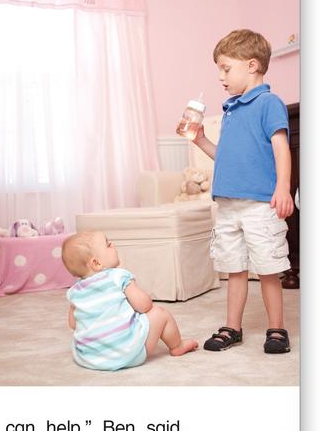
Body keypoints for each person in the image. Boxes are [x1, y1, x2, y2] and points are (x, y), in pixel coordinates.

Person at [191, 29, 294, 353]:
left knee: (268, 270)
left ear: (252, 65)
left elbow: (281, 148)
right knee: (234, 268)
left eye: (226, 68)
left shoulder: (268, 103)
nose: (220, 77)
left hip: (259, 205)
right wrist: (201, 140)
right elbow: (225, 156)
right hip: (228, 206)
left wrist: (283, 188)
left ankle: (276, 329)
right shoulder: (231, 109)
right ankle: (232, 327)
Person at [61, 231, 198, 371]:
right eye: (108, 244)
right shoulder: (118, 276)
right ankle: (177, 346)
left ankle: (97, 347)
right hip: (128, 354)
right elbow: (145, 306)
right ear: (96, 263)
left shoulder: (75, 291)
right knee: (160, 313)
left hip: (89, 358)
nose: (112, 244)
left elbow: (73, 323)